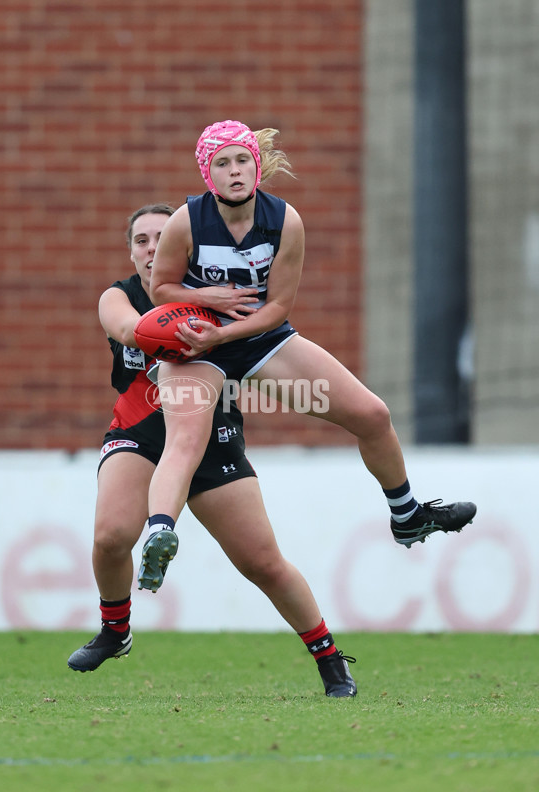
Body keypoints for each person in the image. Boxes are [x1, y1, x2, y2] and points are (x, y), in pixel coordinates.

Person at [144, 119, 477, 579]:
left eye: (243, 160)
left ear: (256, 166)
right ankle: (159, 532)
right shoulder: (186, 221)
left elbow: (278, 307)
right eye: (223, 163)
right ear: (208, 174)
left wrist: (225, 333)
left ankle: (407, 516)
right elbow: (161, 289)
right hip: (196, 347)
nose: (235, 171)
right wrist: (210, 302)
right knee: (184, 441)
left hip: (257, 340)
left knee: (373, 415)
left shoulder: (285, 221)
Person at [67, 203, 357, 699]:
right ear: (132, 251)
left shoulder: (217, 296)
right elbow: (124, 328)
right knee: (112, 535)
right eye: (141, 240)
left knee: (262, 562)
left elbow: (266, 327)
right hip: (142, 431)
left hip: (213, 435)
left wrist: (215, 316)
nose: (152, 248)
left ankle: (330, 660)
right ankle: (116, 630)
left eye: (162, 237)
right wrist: (165, 330)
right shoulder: (119, 297)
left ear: (185, 248)